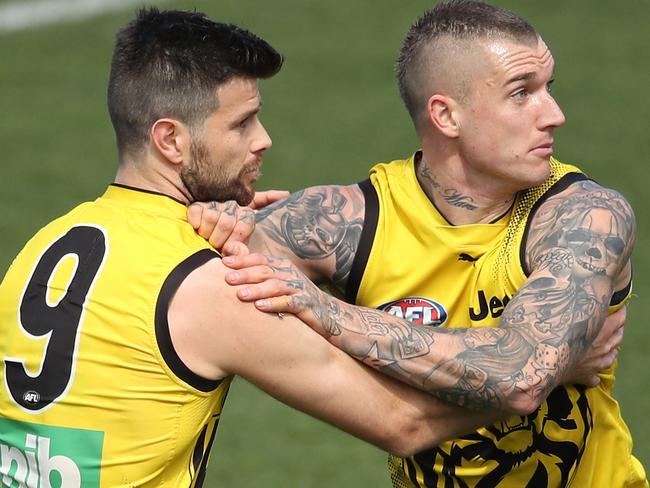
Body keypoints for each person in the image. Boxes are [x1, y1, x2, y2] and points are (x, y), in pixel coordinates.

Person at [0, 7, 545, 487]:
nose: (263, 139)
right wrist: (552, 369)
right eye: (240, 124)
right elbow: (407, 424)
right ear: (170, 140)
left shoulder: (45, 242)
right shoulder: (213, 283)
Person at [191, 0, 645, 486]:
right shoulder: (347, 221)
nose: (554, 114)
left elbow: (521, 373)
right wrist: (216, 220)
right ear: (446, 115)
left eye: (547, 88)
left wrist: (323, 310)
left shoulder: (585, 216)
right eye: (521, 93)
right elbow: (190, 256)